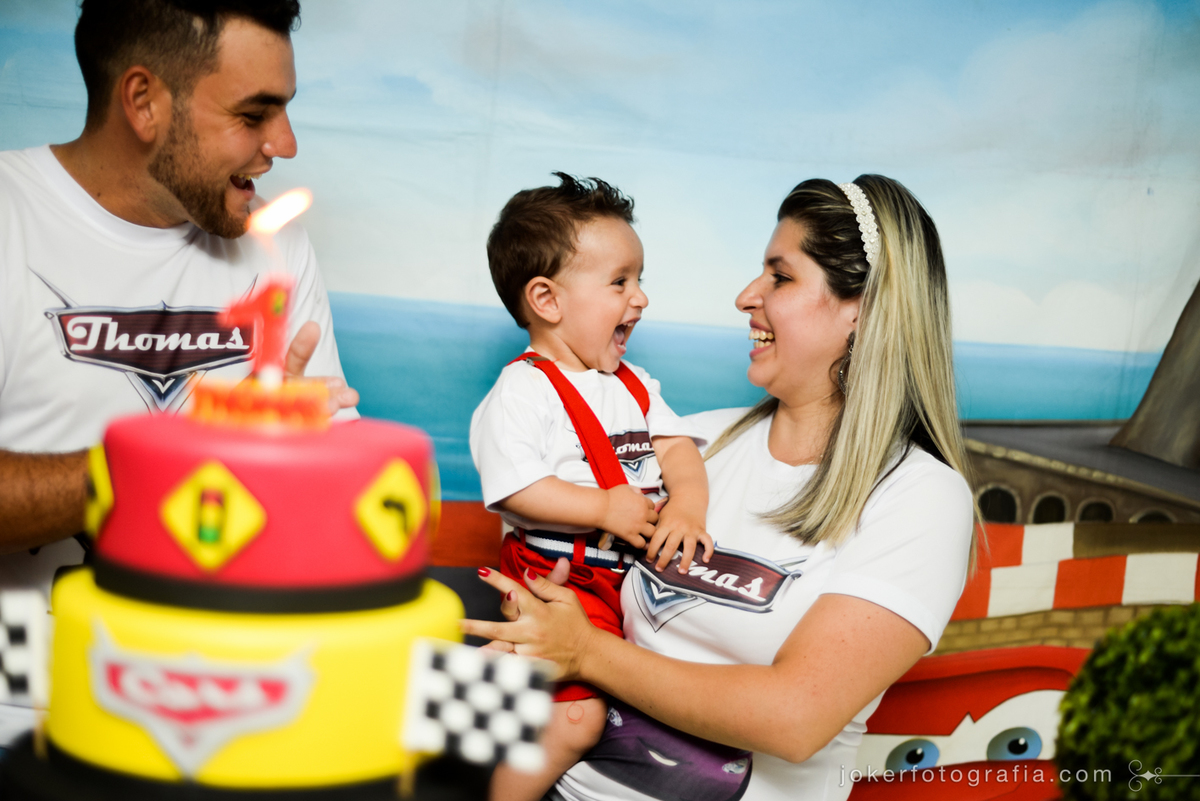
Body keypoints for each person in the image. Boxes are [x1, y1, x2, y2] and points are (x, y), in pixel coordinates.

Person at [463, 175, 978, 801]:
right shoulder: (695, 439)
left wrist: (586, 653)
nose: (745, 296)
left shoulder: (921, 498)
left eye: (780, 277)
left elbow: (795, 719)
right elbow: (544, 530)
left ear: (862, 311)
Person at [0, 0, 358, 742]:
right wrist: (176, 460)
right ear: (143, 101)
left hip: (227, 712)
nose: (284, 145)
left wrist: (309, 469)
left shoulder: (279, 253)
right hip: (24, 715)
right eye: (256, 113)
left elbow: (340, 509)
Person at [470, 174, 713, 801]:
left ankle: (485, 685)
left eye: (639, 279)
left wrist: (686, 505)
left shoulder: (633, 383)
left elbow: (676, 447)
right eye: (620, 282)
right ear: (547, 301)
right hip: (558, 576)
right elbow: (516, 487)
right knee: (576, 720)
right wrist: (603, 505)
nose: (641, 299)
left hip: (624, 576)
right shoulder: (523, 390)